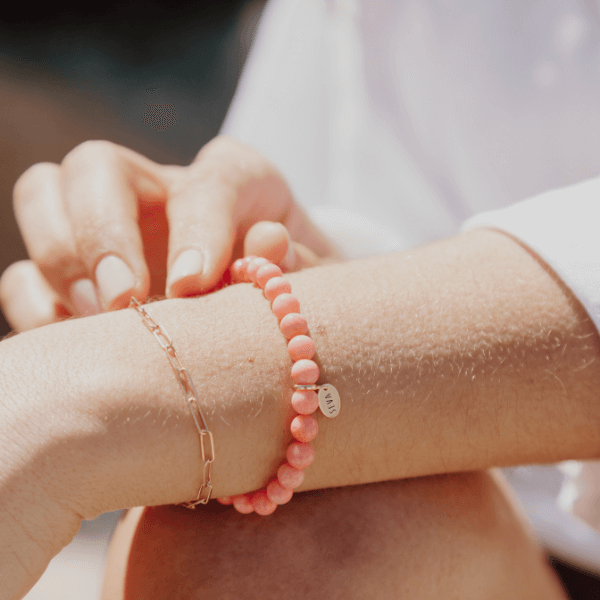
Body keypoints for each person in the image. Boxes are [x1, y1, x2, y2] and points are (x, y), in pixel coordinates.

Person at [2, 0, 600, 598]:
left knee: (270, 549)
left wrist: (89, 393)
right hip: (496, 545)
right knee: (269, 538)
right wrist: (300, 266)